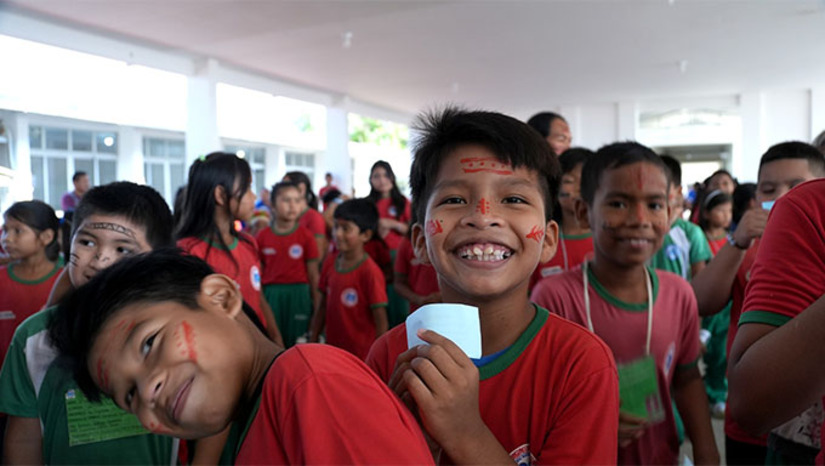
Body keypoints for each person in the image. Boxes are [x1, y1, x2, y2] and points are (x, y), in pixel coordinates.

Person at [366, 108, 619, 464]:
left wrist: (464, 433)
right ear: (420, 243)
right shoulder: (388, 357)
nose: (483, 216)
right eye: (454, 200)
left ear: (547, 241)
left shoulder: (580, 365)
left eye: (514, 199)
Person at [45, 250, 435, 465]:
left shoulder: (308, 379)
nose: (149, 390)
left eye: (149, 344)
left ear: (221, 298)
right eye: (128, 396)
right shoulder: (257, 420)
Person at [531, 142, 719, 465]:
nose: (640, 219)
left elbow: (687, 379)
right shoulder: (553, 298)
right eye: (618, 204)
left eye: (655, 205)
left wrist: (707, 451)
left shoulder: (679, 294)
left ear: (671, 212)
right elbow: (537, 400)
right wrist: (591, 421)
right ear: (583, 212)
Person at [0, 182, 177, 465]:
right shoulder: (34, 339)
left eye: (123, 249)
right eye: (87, 242)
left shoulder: (177, 332)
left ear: (157, 259)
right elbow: (23, 439)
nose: (100, 260)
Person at [691, 141, 825, 465]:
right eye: (769, 188)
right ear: (755, 198)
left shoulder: (815, 227)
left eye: (795, 186)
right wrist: (737, 245)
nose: (781, 196)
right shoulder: (743, 245)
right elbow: (701, 301)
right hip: (755, 418)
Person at [176, 152, 282, 346]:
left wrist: (275, 338)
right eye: (248, 188)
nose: (254, 196)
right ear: (220, 195)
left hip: (259, 349)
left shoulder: (248, 243)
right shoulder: (189, 253)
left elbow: (258, 297)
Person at [309, 198, 388, 360]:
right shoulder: (330, 261)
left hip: (362, 356)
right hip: (333, 350)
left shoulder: (370, 272)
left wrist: (378, 358)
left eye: (346, 229)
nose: (337, 233)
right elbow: (323, 306)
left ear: (365, 235)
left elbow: (381, 322)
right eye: (336, 226)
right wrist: (313, 337)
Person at [255, 181, 320, 347]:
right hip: (271, 297)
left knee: (297, 344)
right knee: (273, 344)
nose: (292, 206)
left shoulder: (306, 236)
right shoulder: (262, 237)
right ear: (273, 205)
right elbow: (257, 276)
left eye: (297, 200)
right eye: (286, 200)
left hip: (299, 295)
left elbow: (313, 275)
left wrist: (318, 307)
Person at [530, 148, 593, 289]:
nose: (578, 189)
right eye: (569, 181)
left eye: (584, 181)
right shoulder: (541, 239)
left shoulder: (606, 241)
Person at [697, 190, 734, 419]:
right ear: (708, 213)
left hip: (726, 310)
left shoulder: (732, 240)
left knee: (722, 354)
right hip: (706, 310)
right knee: (702, 353)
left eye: (729, 210)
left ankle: (719, 394)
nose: (726, 215)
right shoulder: (699, 239)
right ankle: (707, 393)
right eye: (721, 210)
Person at [650, 155, 711, 281]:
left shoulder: (692, 233)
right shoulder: (639, 228)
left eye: (662, 185)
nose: (653, 191)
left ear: (678, 191)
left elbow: (699, 283)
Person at [366, 160, 412, 327]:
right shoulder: (367, 204)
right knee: (377, 298)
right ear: (370, 180)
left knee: (398, 299)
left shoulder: (402, 202)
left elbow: (412, 229)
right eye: (376, 176)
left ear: (392, 178)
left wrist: (391, 224)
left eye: (385, 175)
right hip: (373, 256)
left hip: (398, 255)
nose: (381, 180)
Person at [393, 213, 440, 313]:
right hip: (419, 312)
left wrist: (444, 296)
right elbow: (399, 283)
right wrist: (419, 299)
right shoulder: (406, 244)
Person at [283, 171, 327, 260]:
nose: (281, 191)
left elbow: (317, 256)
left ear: (301, 189)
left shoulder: (314, 218)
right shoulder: (285, 216)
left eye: (285, 187)